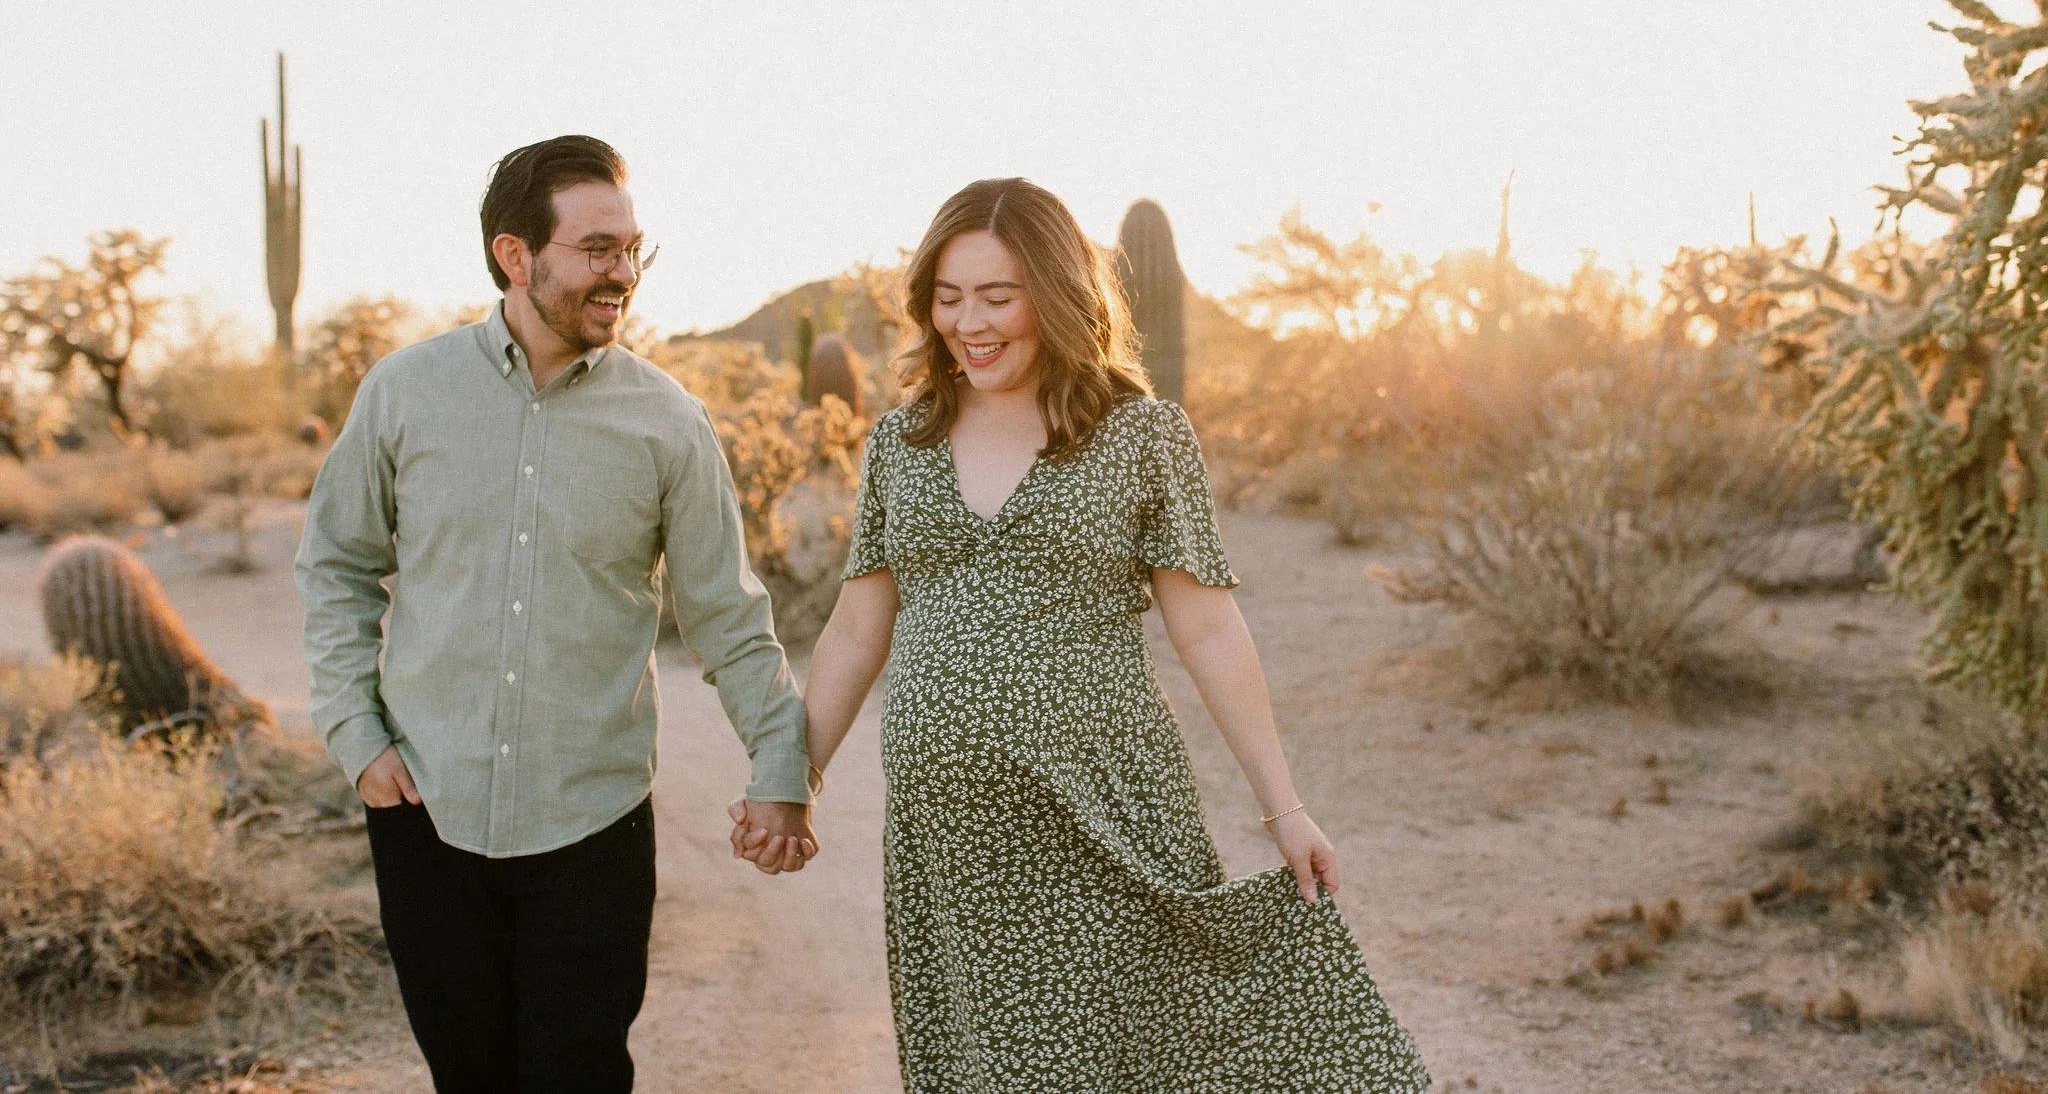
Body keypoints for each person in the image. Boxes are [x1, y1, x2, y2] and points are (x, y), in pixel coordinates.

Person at [736, 178, 1430, 1090]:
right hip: (954, 845)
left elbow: (1210, 627)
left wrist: (1284, 807)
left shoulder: (1139, 435)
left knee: (1140, 1058)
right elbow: (858, 627)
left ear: (1056, 293)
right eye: (947, 298)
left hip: (1106, 812)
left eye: (996, 295)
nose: (968, 323)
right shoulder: (903, 442)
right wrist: (795, 779)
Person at [297, 135, 817, 1093]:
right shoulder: (405, 392)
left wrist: (782, 765)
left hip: (594, 821)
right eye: (596, 249)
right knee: (470, 1074)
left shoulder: (669, 421)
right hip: (426, 809)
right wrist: (355, 735)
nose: (622, 273)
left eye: (632, 249)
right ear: (515, 255)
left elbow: (728, 616)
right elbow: (336, 564)